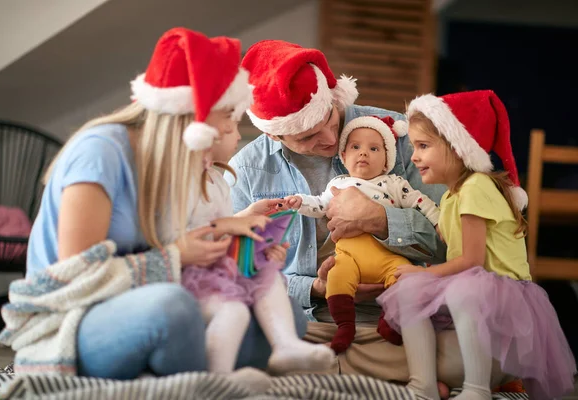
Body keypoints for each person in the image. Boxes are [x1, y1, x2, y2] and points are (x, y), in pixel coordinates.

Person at [19, 28, 307, 380]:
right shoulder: (99, 152)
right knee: (174, 310)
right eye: (228, 116)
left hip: (154, 301)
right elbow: (76, 279)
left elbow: (186, 241)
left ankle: (184, 372)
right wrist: (175, 256)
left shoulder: (176, 162)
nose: (233, 128)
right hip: (72, 317)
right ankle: (208, 378)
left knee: (288, 315)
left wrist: (238, 231)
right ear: (194, 117)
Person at [227, 39, 513, 392]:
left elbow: (455, 244)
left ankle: (334, 379)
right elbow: (242, 275)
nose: (331, 138)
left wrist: (381, 219)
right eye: (308, 136)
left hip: (401, 322)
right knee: (244, 345)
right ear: (273, 133)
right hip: (308, 324)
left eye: (330, 118)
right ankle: (389, 381)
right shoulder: (247, 169)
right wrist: (316, 288)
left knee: (482, 356)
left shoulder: (405, 136)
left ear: (334, 97)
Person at [378, 90, 576, 400]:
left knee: (457, 289)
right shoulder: (450, 196)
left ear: (458, 148)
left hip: (504, 290)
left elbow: (471, 260)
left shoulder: (476, 187)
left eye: (424, 146)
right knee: (409, 294)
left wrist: (425, 274)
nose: (414, 156)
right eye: (414, 146)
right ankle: (423, 385)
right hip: (473, 284)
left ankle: (477, 388)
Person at [176, 112, 335, 375]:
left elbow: (223, 231)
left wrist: (248, 223)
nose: (239, 136)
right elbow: (186, 237)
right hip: (196, 275)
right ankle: (219, 380)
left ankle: (286, 345)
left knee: (267, 275)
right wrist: (231, 225)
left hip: (219, 267)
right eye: (232, 129)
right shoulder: (180, 185)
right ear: (205, 137)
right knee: (235, 312)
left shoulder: (217, 180)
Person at [280, 115, 439, 353]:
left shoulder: (393, 183)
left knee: (404, 278)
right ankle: (345, 327)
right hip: (349, 258)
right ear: (344, 156)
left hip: (389, 258)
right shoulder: (339, 184)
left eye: (374, 148)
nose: (363, 153)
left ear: (387, 161)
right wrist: (299, 202)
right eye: (355, 147)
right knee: (336, 275)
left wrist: (439, 222)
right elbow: (319, 205)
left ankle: (390, 322)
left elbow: (422, 202)